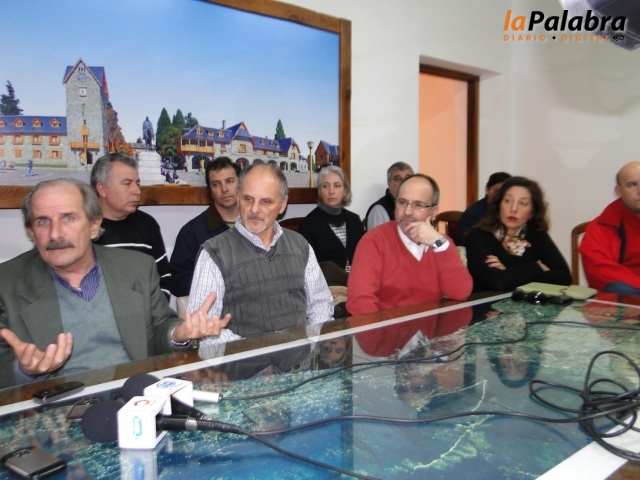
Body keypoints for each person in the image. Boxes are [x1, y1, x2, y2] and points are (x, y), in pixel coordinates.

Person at [0, 178, 229, 387]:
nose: (55, 234)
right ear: (31, 232)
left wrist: (177, 334)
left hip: (136, 396)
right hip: (55, 408)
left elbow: (160, 327)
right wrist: (24, 371)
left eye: (68, 218)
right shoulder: (7, 283)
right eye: (42, 221)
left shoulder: (136, 268)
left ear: (93, 225)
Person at [188, 163, 334, 348]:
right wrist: (256, 354)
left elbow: (321, 304)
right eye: (248, 199)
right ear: (238, 198)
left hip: (299, 360)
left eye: (265, 201)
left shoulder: (300, 246)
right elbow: (205, 329)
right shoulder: (214, 253)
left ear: (282, 205)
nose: (254, 209)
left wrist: (309, 345)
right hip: (240, 363)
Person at [347, 174, 472, 316]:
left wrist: (440, 244)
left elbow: (460, 293)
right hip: (387, 328)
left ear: (434, 211)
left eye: (418, 205)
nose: (407, 211)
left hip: (430, 328)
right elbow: (360, 304)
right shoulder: (374, 242)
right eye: (402, 202)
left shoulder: (440, 243)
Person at [465, 176, 571, 293]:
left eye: (523, 203)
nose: (513, 209)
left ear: (532, 212)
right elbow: (499, 282)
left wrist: (508, 272)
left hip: (524, 302)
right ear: (499, 205)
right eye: (508, 201)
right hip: (485, 301)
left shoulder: (536, 233)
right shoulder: (478, 236)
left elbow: (564, 277)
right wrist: (538, 267)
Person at [90, 153, 171, 297]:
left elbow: (163, 280)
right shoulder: (82, 228)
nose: (137, 191)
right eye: (127, 184)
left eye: (137, 184)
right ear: (102, 189)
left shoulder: (147, 224)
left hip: (147, 310)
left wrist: (153, 309)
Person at [170, 157, 241, 301]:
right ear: (210, 191)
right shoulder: (191, 232)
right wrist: (219, 284)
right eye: (216, 184)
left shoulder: (256, 225)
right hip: (214, 309)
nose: (224, 189)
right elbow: (177, 282)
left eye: (229, 181)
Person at [580, 161, 640, 296]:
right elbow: (599, 271)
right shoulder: (602, 227)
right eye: (632, 185)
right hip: (622, 301)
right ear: (619, 191)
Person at [298, 165, 364, 273]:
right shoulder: (309, 223)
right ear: (320, 191)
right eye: (325, 186)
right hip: (327, 281)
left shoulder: (354, 220)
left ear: (345, 191)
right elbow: (306, 265)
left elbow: (364, 256)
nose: (331, 191)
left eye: (337, 186)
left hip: (357, 278)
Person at [458, 172, 511, 246]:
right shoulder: (473, 213)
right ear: (487, 190)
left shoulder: (513, 210)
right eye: (496, 190)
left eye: (505, 191)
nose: (500, 195)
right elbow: (467, 242)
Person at [364, 161, 414, 231]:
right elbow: (377, 237)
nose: (403, 182)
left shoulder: (419, 205)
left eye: (407, 178)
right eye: (397, 179)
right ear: (389, 183)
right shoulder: (379, 210)